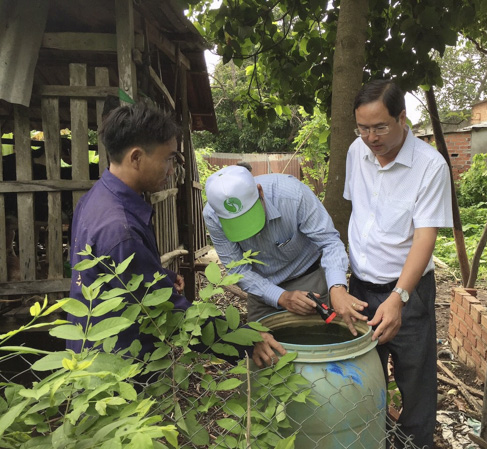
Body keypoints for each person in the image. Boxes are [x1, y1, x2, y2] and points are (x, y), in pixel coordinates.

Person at [66, 102, 281, 368]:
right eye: (168, 158)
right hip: (118, 364)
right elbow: (169, 312)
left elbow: (111, 273)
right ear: (136, 157)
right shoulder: (120, 229)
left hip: (87, 347)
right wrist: (244, 339)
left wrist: (161, 277)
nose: (171, 170)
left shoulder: (94, 200)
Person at [344, 80, 453, 448]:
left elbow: (425, 237)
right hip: (360, 289)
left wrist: (399, 297)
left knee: (415, 383)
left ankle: (415, 444)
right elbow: (357, 213)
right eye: (362, 127)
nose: (370, 137)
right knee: (361, 377)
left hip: (409, 294)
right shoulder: (355, 151)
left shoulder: (430, 166)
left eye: (380, 127)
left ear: (402, 118)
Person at [203, 165, 367, 332]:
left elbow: (329, 242)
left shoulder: (293, 195)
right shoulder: (212, 215)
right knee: (262, 350)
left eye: (250, 216)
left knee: (316, 343)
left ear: (260, 192)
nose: (250, 231)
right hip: (260, 288)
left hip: (307, 277)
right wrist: (280, 297)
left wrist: (337, 288)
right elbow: (237, 269)